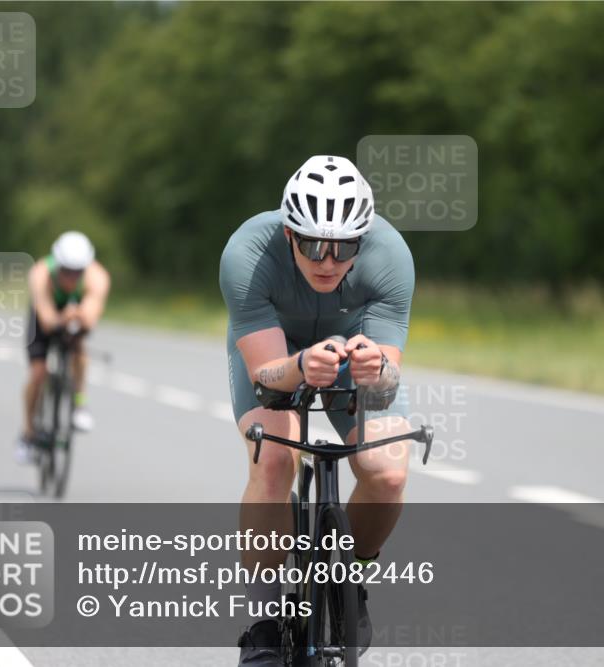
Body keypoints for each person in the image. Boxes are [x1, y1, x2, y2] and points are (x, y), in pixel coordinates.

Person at [220, 156, 413, 666]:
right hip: (278, 356)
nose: (327, 261)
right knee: (275, 461)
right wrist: (302, 364)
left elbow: (389, 383)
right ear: (288, 234)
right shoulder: (247, 252)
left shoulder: (392, 255)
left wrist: (376, 369)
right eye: (312, 246)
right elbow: (265, 379)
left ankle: (352, 579)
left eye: (345, 247)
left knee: (387, 472)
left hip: (352, 354)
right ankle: (262, 625)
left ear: (363, 240)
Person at [17, 231, 111, 463]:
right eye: (66, 270)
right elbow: (47, 320)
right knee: (38, 374)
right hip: (45, 316)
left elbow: (90, 316)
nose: (71, 276)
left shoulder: (98, 277)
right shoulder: (40, 273)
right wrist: (62, 319)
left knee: (79, 349)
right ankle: (28, 433)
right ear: (57, 264)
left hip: (74, 313)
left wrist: (77, 317)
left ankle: (80, 403)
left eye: (77, 272)